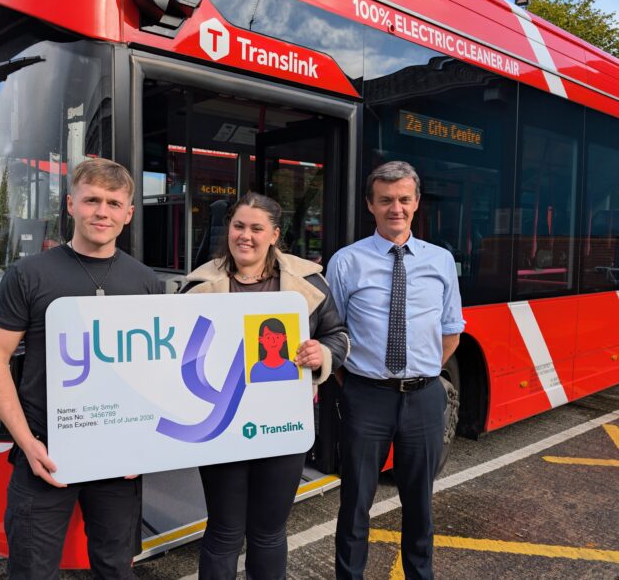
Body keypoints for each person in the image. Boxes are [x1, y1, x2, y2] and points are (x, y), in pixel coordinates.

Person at [0, 158, 162, 579]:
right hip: (44, 452)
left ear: (128, 214)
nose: (103, 212)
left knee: (115, 568)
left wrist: (146, 446)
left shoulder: (147, 282)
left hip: (120, 455)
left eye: (114, 204)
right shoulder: (28, 275)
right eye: (92, 200)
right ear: (70, 205)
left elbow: (157, 374)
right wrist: (26, 443)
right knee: (31, 570)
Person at [183, 191, 349, 580]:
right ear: (229, 230)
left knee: (269, 531)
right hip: (221, 426)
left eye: (257, 228)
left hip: (282, 427)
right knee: (224, 531)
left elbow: (338, 335)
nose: (246, 236)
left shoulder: (307, 282)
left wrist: (321, 354)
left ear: (274, 234)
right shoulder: (198, 286)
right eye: (239, 226)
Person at [328, 161, 465, 580]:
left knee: (420, 504)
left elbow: (450, 332)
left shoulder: (441, 261)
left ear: (417, 203)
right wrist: (356, 381)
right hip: (365, 396)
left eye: (404, 199)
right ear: (371, 204)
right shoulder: (346, 262)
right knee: (355, 502)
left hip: (424, 397)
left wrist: (418, 373)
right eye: (386, 200)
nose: (396, 208)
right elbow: (333, 332)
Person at [250, 317, 300, 382]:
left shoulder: (292, 367)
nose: (273, 341)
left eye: (277, 336)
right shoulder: (256, 370)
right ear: (261, 340)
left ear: (284, 338)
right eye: (268, 337)